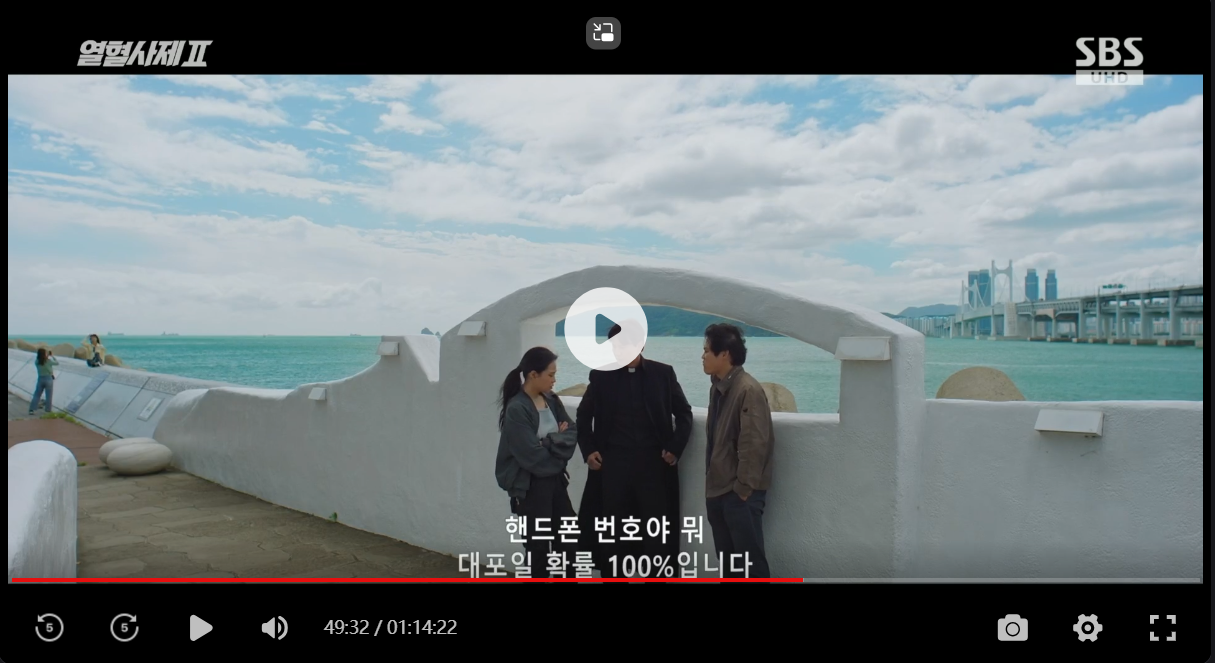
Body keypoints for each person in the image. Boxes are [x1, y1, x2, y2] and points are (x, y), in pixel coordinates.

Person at [576, 320, 693, 578]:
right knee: (612, 534)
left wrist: (675, 447)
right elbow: (583, 417)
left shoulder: (663, 374)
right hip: (613, 466)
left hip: (654, 467)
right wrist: (589, 450)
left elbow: (684, 414)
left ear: (640, 345)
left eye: (623, 346)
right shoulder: (600, 376)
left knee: (656, 534)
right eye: (614, 347)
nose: (618, 352)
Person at [495, 346, 580, 578]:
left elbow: (572, 432)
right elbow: (532, 457)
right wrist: (557, 445)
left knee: (568, 542)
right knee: (538, 549)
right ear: (533, 374)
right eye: (550, 375)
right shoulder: (517, 408)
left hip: (556, 484)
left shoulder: (551, 400)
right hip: (530, 487)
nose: (554, 380)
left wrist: (547, 442)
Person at [701, 323, 775, 579]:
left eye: (707, 351)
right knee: (730, 567)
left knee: (750, 566)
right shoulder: (718, 387)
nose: (703, 356)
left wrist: (743, 489)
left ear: (725, 354)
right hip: (719, 490)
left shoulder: (747, 390)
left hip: (739, 494)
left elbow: (754, 444)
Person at [29, 348, 59, 415]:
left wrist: (46, 356)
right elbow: (57, 363)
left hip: (40, 379)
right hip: (48, 379)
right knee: (49, 396)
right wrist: (52, 356)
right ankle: (48, 410)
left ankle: (32, 409)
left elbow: (42, 360)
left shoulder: (37, 362)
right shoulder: (48, 361)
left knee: (37, 395)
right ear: (45, 354)